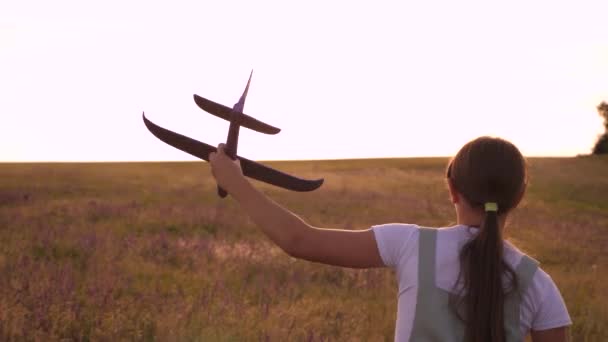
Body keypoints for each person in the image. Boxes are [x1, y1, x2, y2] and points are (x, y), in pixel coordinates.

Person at [208, 136, 571, 342]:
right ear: (519, 197)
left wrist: (235, 181)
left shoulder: (410, 244)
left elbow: (299, 240)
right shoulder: (540, 285)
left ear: (452, 189)